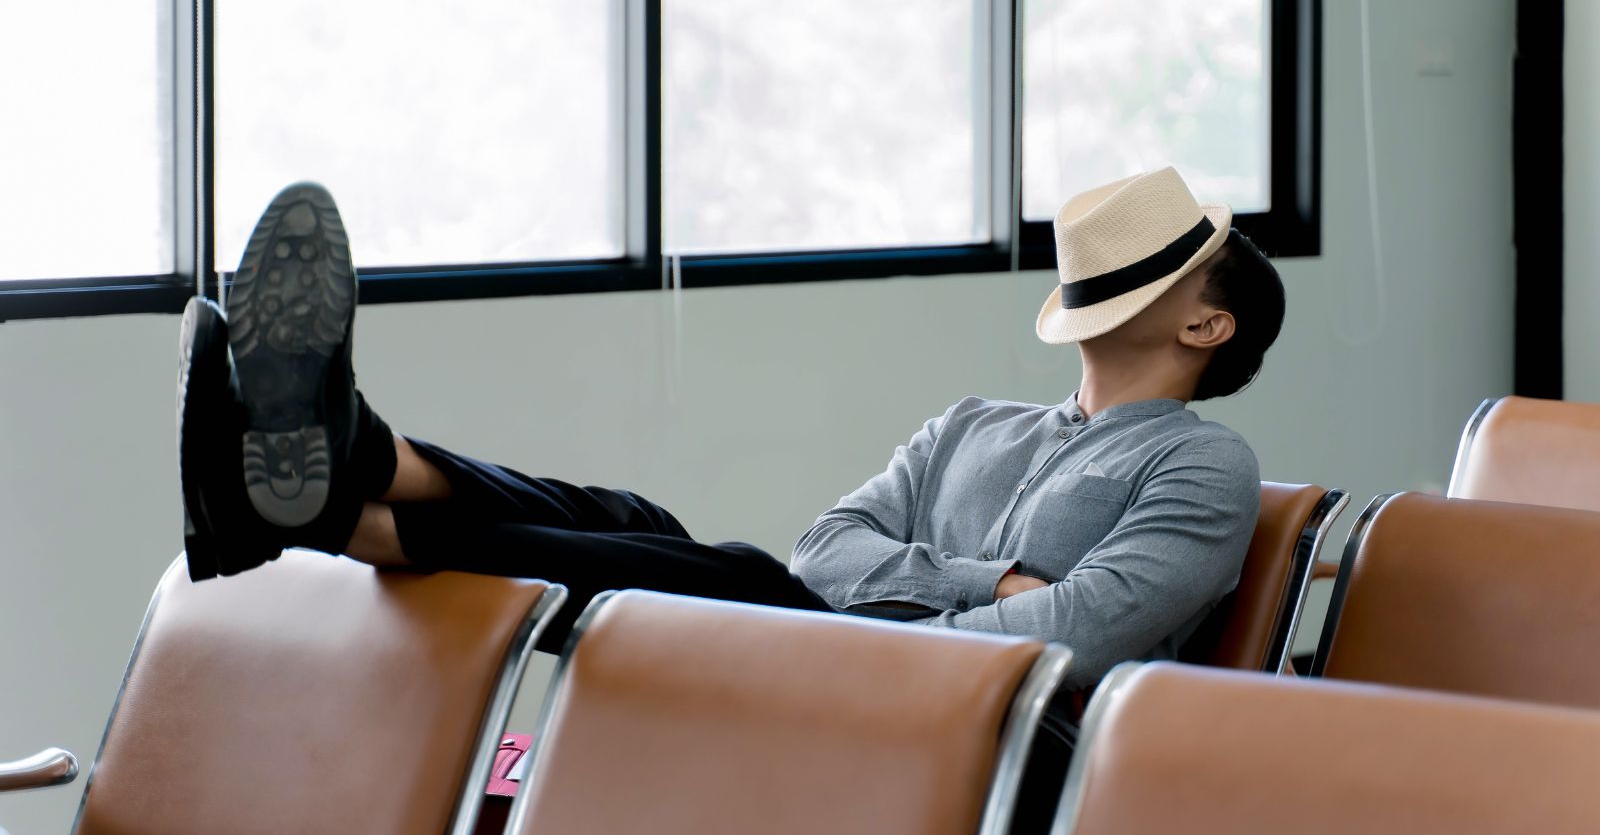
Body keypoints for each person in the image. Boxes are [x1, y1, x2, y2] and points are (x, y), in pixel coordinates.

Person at [176, 167, 1283, 831]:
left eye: (1178, 266)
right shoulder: (972, 422)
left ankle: (322, 494)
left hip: (998, 741)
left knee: (735, 582)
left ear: (1206, 326)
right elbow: (830, 545)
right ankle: (354, 476)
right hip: (848, 666)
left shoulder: (1202, 465)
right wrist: (976, 581)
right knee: (643, 531)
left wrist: (894, 628)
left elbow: (1075, 638)